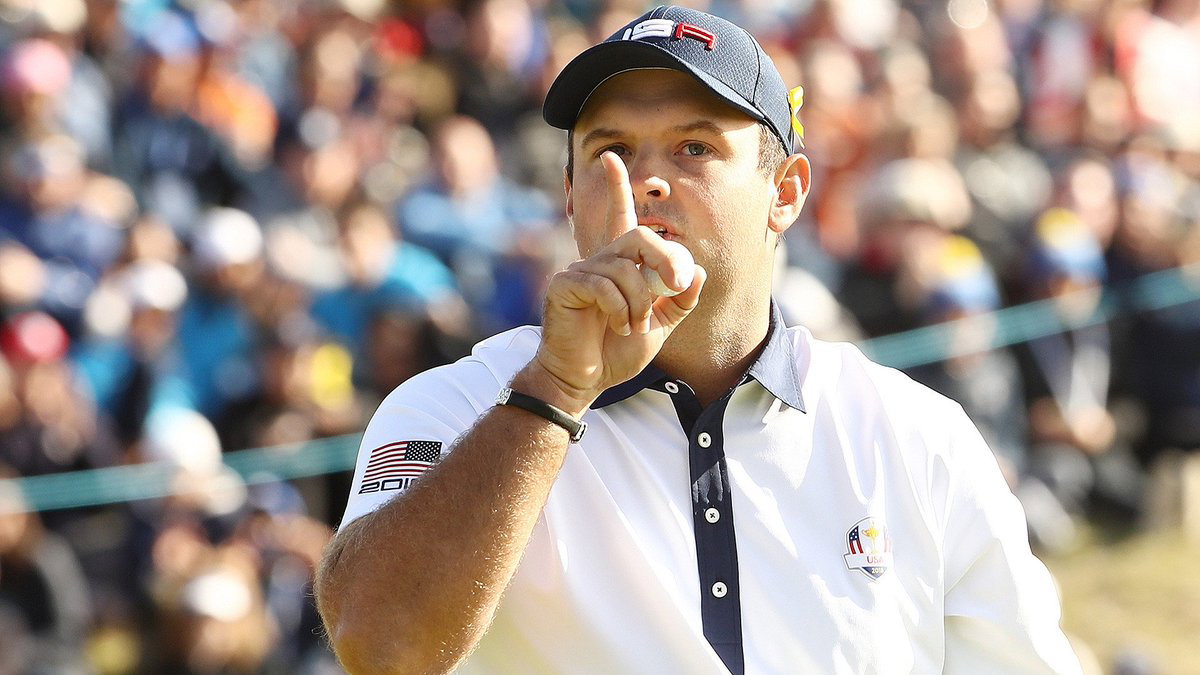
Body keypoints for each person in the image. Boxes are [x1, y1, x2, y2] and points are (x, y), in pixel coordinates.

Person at [315, 7, 1081, 674]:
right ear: (570, 193)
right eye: (610, 150)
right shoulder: (453, 404)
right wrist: (554, 390)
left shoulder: (917, 436)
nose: (646, 179)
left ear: (785, 194)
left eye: (695, 148)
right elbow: (380, 649)